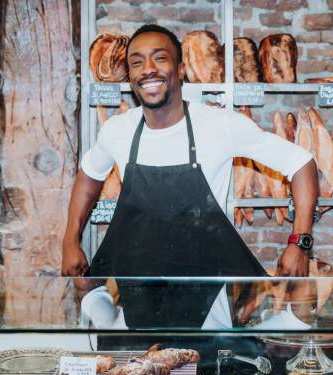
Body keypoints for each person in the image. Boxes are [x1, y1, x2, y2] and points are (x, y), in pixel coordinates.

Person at [62, 24, 319, 328]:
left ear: (181, 69)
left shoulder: (219, 125)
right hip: (135, 304)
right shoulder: (118, 131)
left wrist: (299, 242)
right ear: (130, 76)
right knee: (136, 373)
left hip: (210, 306)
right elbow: (89, 175)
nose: (148, 70)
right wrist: (70, 240)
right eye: (137, 62)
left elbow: (301, 163)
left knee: (209, 370)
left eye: (160, 58)